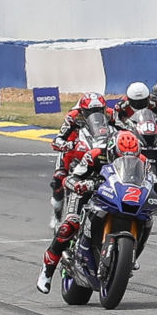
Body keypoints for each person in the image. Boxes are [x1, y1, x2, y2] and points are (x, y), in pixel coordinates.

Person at [36, 130, 147, 295]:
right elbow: (72, 177)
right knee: (69, 225)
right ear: (111, 151)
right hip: (88, 194)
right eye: (119, 157)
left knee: (145, 217)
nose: (125, 160)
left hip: (119, 195)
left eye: (131, 158)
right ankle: (47, 270)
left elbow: (154, 181)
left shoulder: (143, 161)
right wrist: (80, 185)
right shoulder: (95, 155)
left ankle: (130, 255)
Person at [48, 93, 117, 227]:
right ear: (82, 111)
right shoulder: (73, 116)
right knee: (59, 177)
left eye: (99, 111)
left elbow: (126, 129)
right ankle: (57, 216)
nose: (95, 114)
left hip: (100, 146)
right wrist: (67, 145)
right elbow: (58, 139)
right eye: (91, 111)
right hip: (75, 147)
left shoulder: (111, 114)